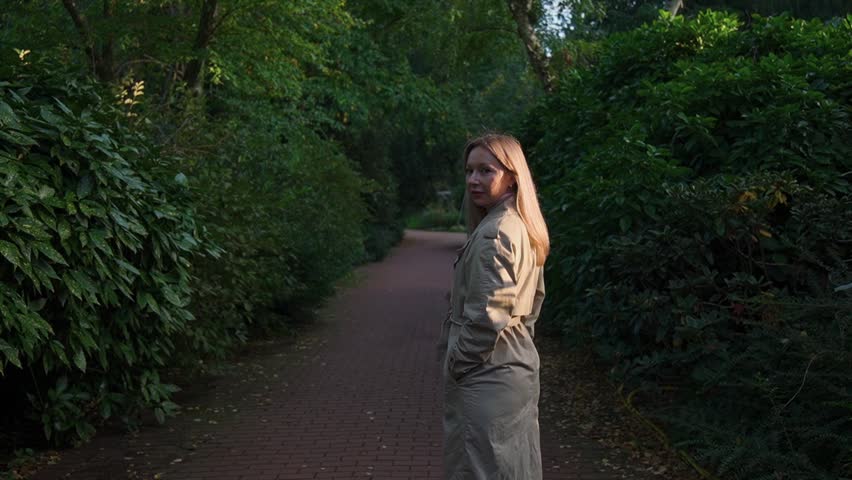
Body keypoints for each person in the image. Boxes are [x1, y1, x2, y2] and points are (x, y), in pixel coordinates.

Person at [439, 133, 549, 479]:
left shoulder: (495, 233)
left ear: (512, 175)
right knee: (514, 467)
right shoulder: (521, 225)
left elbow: (488, 317)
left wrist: (457, 363)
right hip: (514, 367)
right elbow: (533, 304)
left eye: (486, 170)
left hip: (486, 374)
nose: (474, 180)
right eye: (470, 171)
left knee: (480, 469)